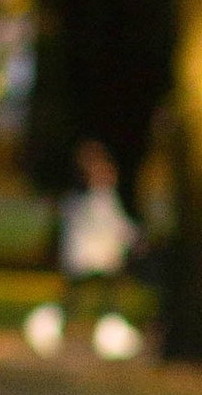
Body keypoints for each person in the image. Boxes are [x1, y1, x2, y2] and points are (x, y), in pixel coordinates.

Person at [24, 141, 141, 357]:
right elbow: (113, 225)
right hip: (91, 257)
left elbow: (115, 224)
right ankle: (54, 333)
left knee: (97, 300)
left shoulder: (91, 198)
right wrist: (133, 239)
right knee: (82, 301)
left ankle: (106, 340)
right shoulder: (91, 199)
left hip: (93, 258)